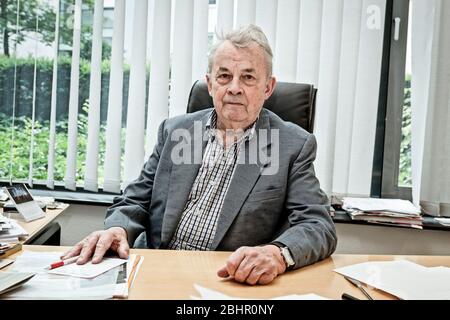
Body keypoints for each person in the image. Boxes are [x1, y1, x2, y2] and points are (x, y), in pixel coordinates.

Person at [62, 24, 337, 285]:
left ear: (268, 87)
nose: (234, 87)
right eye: (224, 75)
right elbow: (134, 199)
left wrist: (277, 254)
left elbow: (318, 225)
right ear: (210, 83)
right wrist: (118, 229)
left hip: (226, 279)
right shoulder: (175, 131)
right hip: (156, 272)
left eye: (248, 77)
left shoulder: (292, 145)